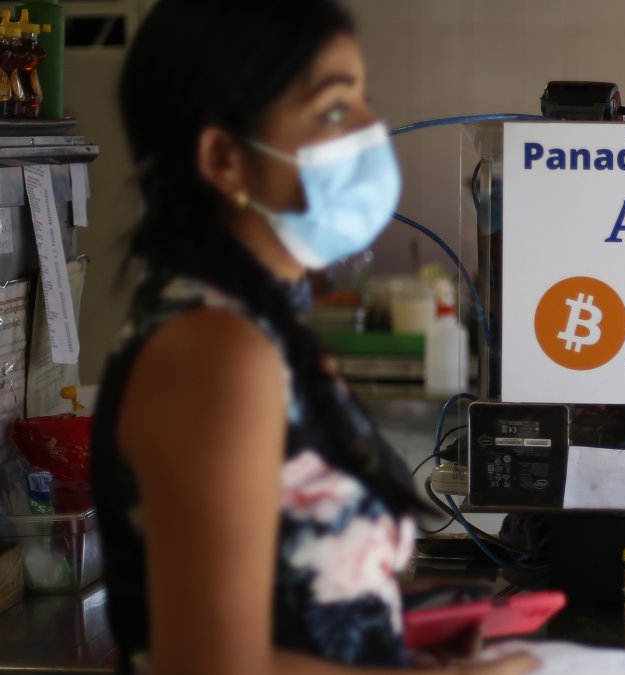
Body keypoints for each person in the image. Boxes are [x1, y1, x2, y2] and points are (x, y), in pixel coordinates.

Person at [90, 1, 538, 673]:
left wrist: (394, 646)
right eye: (332, 109)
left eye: (362, 100)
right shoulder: (215, 353)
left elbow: (291, 608)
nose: (369, 131)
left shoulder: (264, 332)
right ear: (224, 158)